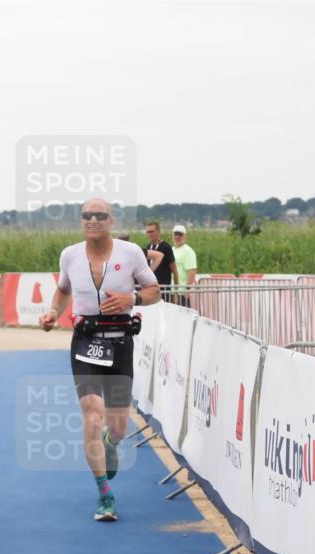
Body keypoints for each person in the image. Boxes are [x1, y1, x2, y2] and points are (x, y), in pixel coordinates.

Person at [39, 198, 160, 522]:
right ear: (82, 221)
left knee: (118, 427)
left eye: (100, 215)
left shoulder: (130, 253)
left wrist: (132, 298)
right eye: (87, 216)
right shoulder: (70, 255)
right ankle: (105, 495)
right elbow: (63, 290)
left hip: (120, 343)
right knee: (92, 417)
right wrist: (53, 311)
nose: (93, 220)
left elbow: (154, 291)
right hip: (86, 343)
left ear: (111, 220)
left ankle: (111, 442)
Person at [143, 221, 175, 300]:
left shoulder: (166, 247)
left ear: (158, 231)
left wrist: (175, 290)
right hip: (151, 288)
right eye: (148, 232)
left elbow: (174, 269)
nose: (149, 234)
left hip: (164, 289)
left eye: (152, 231)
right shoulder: (148, 247)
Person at [171, 224, 198, 305]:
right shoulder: (171, 250)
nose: (177, 237)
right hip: (171, 292)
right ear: (172, 235)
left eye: (180, 234)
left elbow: (192, 271)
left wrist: (186, 290)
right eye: (175, 234)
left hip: (181, 293)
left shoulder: (188, 251)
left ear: (185, 236)